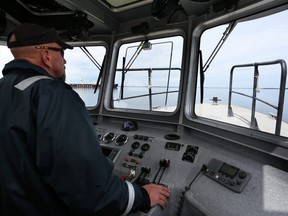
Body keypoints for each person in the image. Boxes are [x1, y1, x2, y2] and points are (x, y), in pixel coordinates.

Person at [0, 23, 170, 216]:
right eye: (61, 52)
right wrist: (142, 196)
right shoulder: (53, 95)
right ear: (46, 56)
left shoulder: (5, 88)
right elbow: (90, 189)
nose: (64, 62)